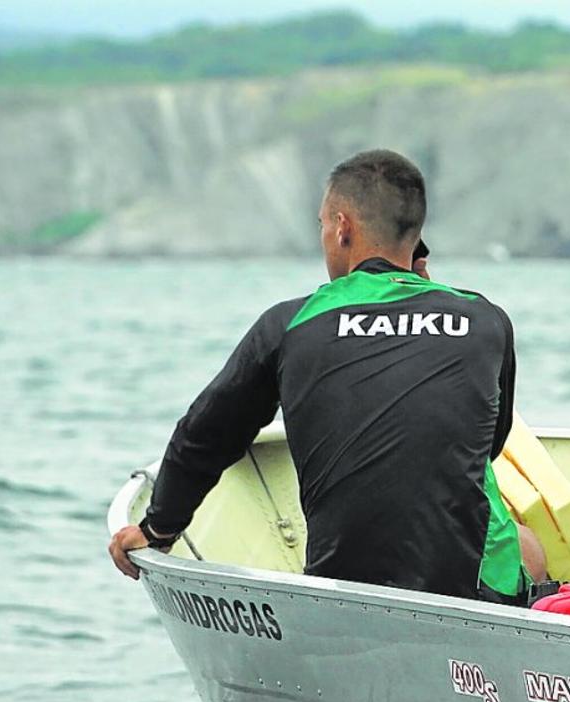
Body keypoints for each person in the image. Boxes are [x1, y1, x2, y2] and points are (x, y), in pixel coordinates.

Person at [109, 149, 540, 604]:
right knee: (527, 546)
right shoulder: (486, 319)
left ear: (342, 227)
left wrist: (157, 530)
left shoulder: (290, 325)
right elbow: (487, 444)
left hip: (342, 590)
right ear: (415, 240)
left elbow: (203, 437)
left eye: (322, 226)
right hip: (473, 595)